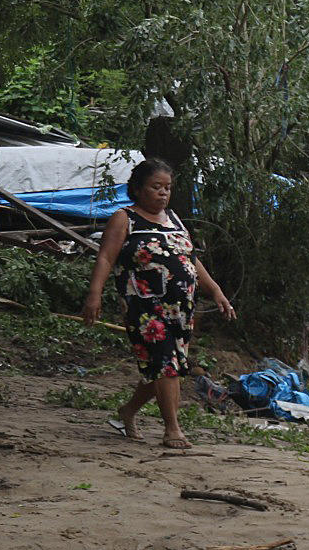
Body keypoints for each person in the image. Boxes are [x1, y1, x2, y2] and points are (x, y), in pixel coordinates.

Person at [81, 158, 235, 449]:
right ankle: (172, 429)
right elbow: (105, 257)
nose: (163, 193)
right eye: (156, 187)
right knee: (166, 363)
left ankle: (128, 411)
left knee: (167, 364)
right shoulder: (125, 218)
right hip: (144, 306)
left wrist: (215, 290)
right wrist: (94, 294)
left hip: (181, 308)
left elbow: (190, 260)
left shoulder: (174, 219)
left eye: (167, 188)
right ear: (138, 189)